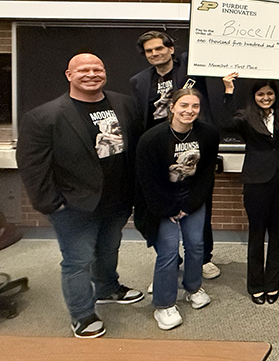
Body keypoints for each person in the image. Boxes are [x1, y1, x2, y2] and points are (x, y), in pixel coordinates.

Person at [17, 53, 144, 338]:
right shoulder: (43, 116)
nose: (91, 74)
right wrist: (52, 204)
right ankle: (82, 314)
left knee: (109, 250)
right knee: (78, 261)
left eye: (97, 68)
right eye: (83, 69)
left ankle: (108, 288)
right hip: (73, 206)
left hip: (117, 200)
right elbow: (32, 166)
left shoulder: (123, 104)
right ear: (69, 75)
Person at [130, 30, 220, 281]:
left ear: (171, 49)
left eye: (159, 48)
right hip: (160, 150)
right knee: (160, 205)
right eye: (149, 51)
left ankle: (203, 258)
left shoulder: (191, 66)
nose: (155, 54)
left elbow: (211, 46)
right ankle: (171, 260)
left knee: (200, 203)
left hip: (193, 143)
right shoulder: (138, 81)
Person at [135, 88, 219, 330]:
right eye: (184, 105)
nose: (189, 111)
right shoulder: (152, 139)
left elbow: (205, 175)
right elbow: (146, 181)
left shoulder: (209, 135)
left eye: (194, 106)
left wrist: (190, 204)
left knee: (196, 246)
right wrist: (169, 208)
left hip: (192, 199)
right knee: (169, 252)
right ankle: (164, 304)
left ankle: (193, 288)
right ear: (172, 107)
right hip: (160, 202)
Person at [219, 73, 279, 304]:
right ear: (254, 96)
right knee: (257, 233)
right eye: (261, 94)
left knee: (277, 234)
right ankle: (256, 285)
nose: (266, 97)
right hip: (255, 181)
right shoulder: (244, 116)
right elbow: (225, 124)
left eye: (270, 93)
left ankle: (273, 283)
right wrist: (228, 91)